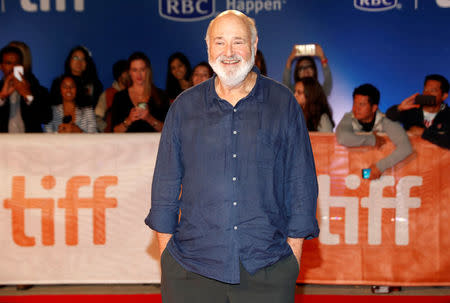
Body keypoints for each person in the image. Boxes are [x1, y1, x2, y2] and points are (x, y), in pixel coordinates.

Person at [145, 10, 319, 303]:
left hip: (268, 268)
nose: (228, 52)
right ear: (208, 46)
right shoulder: (184, 107)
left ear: (254, 44)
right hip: (192, 270)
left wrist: (292, 258)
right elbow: (164, 186)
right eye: (220, 42)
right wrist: (167, 261)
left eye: (238, 42)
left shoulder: (283, 103)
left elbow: (300, 182)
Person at [336, 84, 412, 180]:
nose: (356, 109)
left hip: (384, 181)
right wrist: (372, 139)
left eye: (362, 104)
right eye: (355, 103)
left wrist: (380, 167)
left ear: (374, 108)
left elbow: (406, 148)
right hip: (353, 180)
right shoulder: (349, 117)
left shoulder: (386, 122)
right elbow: (342, 138)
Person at [386, 74, 449, 149]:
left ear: (444, 96)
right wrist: (399, 108)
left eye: (433, 91)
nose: (427, 94)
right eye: (425, 90)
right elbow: (389, 116)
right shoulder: (412, 110)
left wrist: (424, 133)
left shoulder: (448, 114)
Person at [111, 52, 169, 133]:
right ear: (129, 72)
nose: (139, 74)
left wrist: (149, 118)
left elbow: (168, 131)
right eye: (135, 70)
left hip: (154, 145)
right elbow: (114, 132)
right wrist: (129, 120)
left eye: (142, 69)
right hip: (127, 145)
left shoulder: (161, 96)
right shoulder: (120, 97)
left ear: (148, 71)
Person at [0, 45, 51, 133]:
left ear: (22, 66)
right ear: (1, 66)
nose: (13, 67)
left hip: (30, 144)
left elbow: (46, 118)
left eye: (16, 64)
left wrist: (28, 96)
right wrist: (2, 97)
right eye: (8, 63)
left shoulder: (36, 89)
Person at [95, 59, 130, 132]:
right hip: (114, 137)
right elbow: (97, 117)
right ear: (119, 75)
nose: (130, 75)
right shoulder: (107, 94)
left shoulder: (135, 93)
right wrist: (107, 130)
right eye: (126, 72)